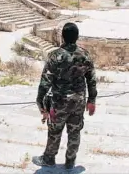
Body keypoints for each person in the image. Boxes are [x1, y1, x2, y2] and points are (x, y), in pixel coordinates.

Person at [33, 22, 98, 170]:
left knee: (55, 131)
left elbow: (45, 81)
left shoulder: (55, 56)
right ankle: (70, 162)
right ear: (77, 37)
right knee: (74, 132)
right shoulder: (85, 55)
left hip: (59, 102)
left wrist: (41, 104)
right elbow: (91, 80)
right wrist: (92, 100)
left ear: (62, 37)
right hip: (79, 101)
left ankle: (49, 159)